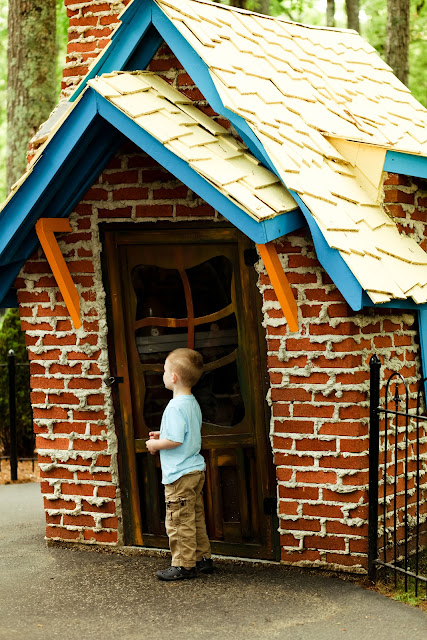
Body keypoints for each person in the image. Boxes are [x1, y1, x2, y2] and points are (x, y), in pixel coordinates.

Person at [145, 347, 213, 581]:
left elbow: (175, 440)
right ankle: (203, 558)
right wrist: (161, 434)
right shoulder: (191, 402)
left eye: (165, 371)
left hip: (179, 475)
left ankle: (184, 565)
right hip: (194, 470)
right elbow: (185, 433)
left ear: (173, 377)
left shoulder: (174, 406)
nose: (163, 375)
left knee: (178, 521)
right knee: (194, 517)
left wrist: (154, 445)